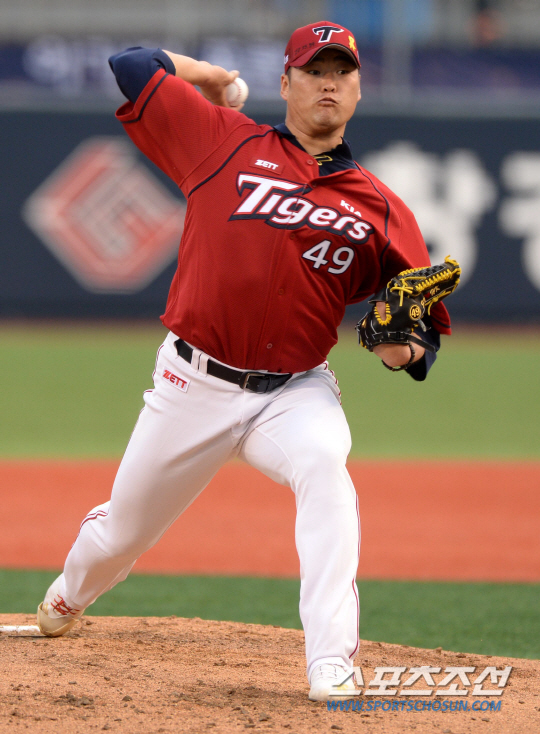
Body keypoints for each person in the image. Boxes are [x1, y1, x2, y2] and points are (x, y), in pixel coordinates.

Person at [37, 21, 451, 701]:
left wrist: (397, 346)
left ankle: (331, 661)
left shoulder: (382, 211)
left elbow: (416, 339)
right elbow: (132, 63)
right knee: (120, 536)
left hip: (293, 391)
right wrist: (214, 78)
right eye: (313, 71)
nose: (328, 84)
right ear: (284, 83)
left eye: (341, 72)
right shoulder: (223, 141)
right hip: (191, 382)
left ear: (358, 90)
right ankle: (68, 595)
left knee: (325, 468)